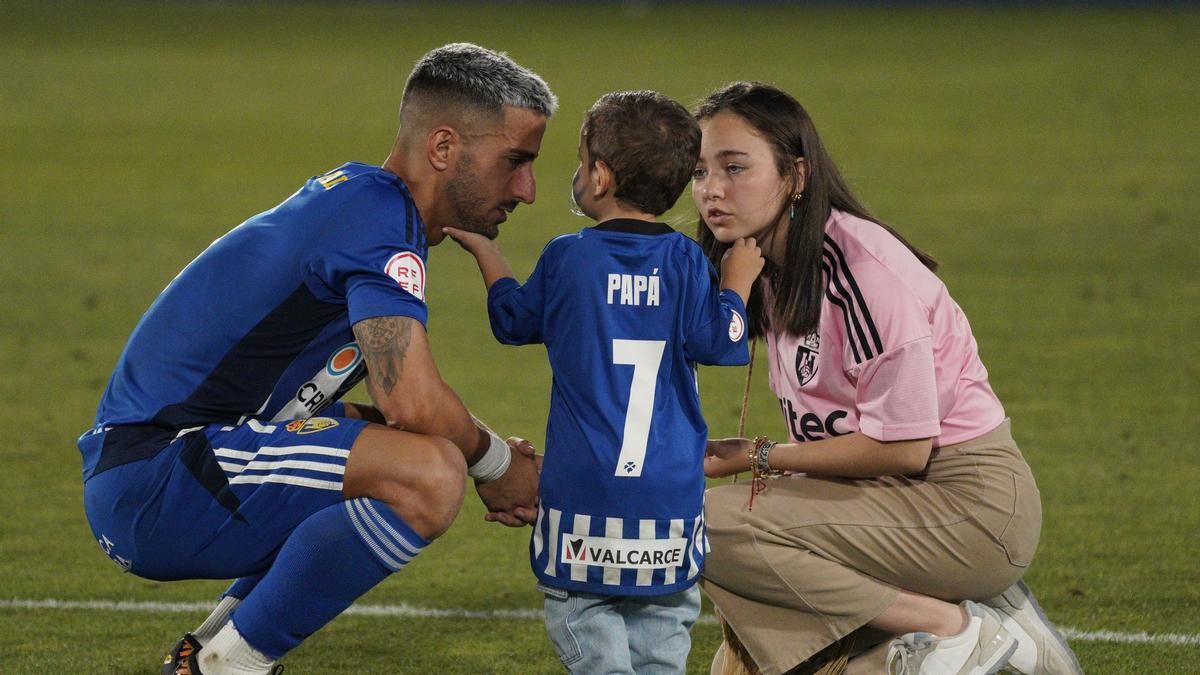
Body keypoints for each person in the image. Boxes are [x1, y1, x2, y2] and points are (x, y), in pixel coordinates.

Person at [77, 43, 555, 675]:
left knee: (398, 448)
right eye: (515, 161)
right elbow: (410, 398)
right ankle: (232, 666)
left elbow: (364, 408)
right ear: (443, 149)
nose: (527, 189)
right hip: (159, 475)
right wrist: (494, 463)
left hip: (162, 468)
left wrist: (459, 444)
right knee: (431, 473)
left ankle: (209, 652)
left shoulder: (365, 206)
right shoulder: (378, 218)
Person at [690, 82, 1084, 675]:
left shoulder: (861, 268)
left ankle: (953, 626)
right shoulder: (760, 264)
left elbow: (904, 447)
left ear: (796, 176)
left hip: (965, 501)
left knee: (709, 525)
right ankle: (962, 622)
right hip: (885, 497)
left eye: (735, 167)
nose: (712, 189)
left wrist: (760, 455)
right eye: (699, 172)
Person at [444, 90, 764, 674]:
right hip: (668, 502)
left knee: (592, 632)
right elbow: (722, 342)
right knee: (662, 641)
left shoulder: (570, 258)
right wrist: (736, 285)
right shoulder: (688, 262)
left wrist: (489, 253)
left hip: (584, 501)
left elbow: (512, 323)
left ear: (598, 175)